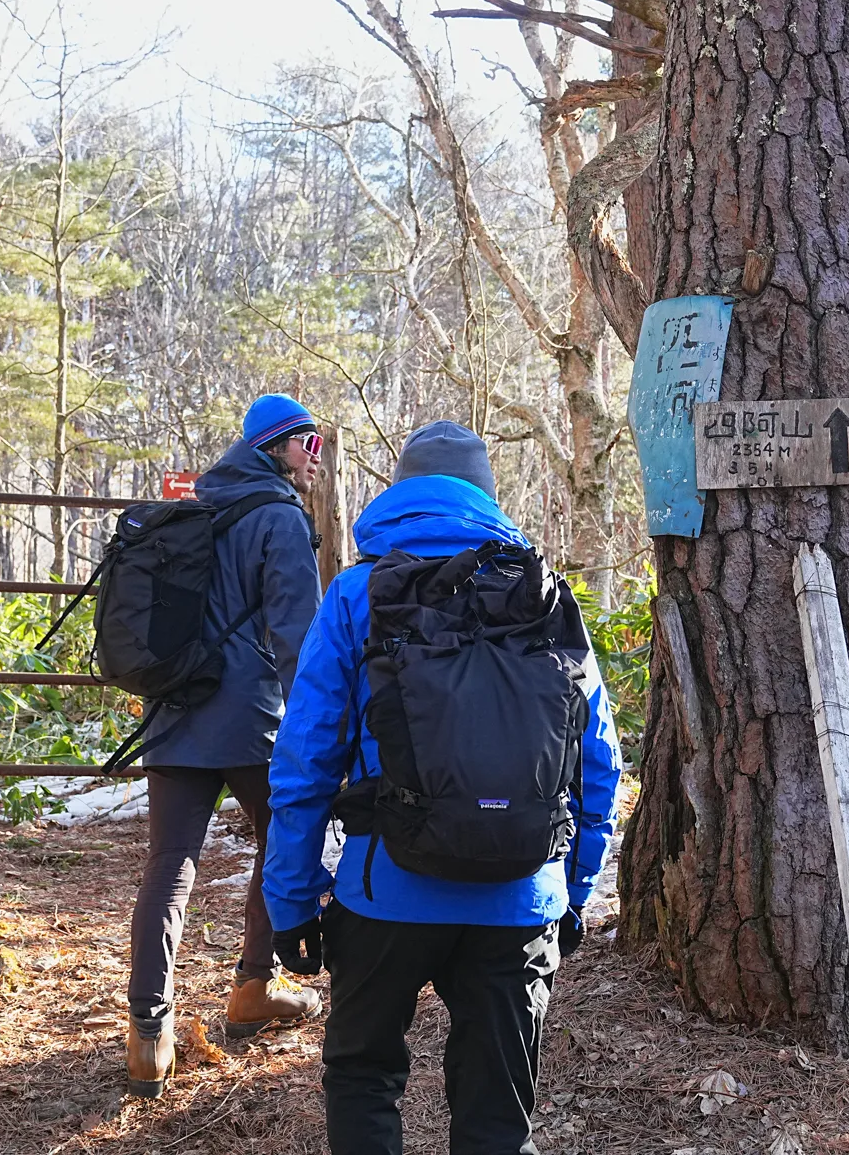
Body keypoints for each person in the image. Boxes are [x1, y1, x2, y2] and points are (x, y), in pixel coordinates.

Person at [263, 421, 623, 1155]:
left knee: (364, 1075)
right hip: (519, 896)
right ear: (486, 497)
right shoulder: (544, 596)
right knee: (496, 1111)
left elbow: (304, 764)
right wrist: (573, 891)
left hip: (385, 892)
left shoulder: (357, 594)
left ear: (402, 492)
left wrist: (291, 903)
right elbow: (598, 764)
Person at [125, 394, 329, 1098]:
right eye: (309, 443)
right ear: (277, 446)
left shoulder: (197, 507)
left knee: (169, 864)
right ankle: (253, 987)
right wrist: (317, 724)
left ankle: (147, 1034)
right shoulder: (279, 516)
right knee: (284, 839)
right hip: (248, 718)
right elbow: (299, 635)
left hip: (174, 710)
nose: (317, 458)